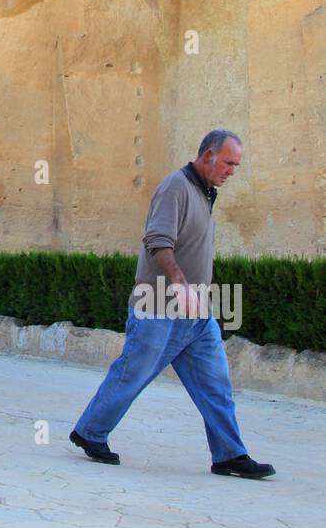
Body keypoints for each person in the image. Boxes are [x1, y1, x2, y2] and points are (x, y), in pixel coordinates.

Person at [70, 129, 275, 479]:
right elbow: (157, 239)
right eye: (228, 163)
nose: (231, 171)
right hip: (157, 309)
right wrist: (179, 284)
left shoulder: (205, 192)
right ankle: (90, 432)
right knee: (132, 375)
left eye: (236, 166)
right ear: (208, 155)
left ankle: (229, 455)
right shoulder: (175, 187)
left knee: (216, 386)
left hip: (196, 316)